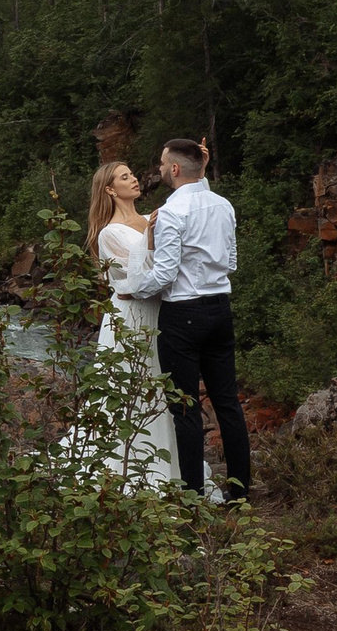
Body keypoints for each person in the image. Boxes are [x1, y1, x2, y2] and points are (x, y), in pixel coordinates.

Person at [118, 137, 249, 502]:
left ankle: (192, 497)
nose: (159, 168)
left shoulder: (172, 211)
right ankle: (241, 495)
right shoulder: (224, 206)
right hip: (220, 308)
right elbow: (232, 262)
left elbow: (164, 273)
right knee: (227, 402)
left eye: (162, 163)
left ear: (174, 169)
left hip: (183, 314)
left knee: (186, 407)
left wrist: (134, 288)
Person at [86, 162, 179, 487]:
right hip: (131, 318)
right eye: (124, 177)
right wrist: (152, 234)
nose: (134, 179)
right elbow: (142, 274)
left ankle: (169, 471)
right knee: (130, 387)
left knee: (159, 386)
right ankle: (124, 472)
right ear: (110, 190)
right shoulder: (109, 232)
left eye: (132, 174)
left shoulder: (150, 218)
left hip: (158, 313)